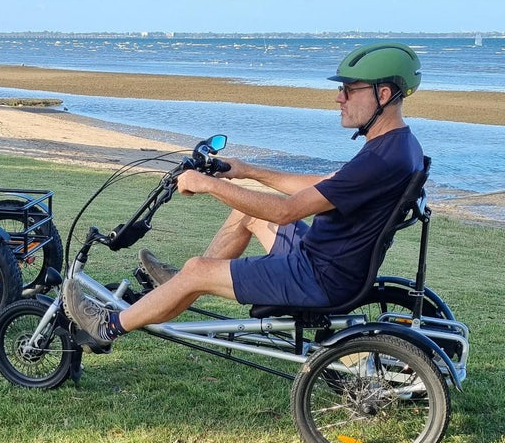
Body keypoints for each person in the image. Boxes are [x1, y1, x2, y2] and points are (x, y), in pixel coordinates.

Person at [62, 42, 425, 346]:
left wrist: (208, 184)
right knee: (247, 215)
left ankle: (106, 326)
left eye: (349, 89)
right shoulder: (396, 147)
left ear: (383, 94)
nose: (338, 97)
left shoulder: (379, 160)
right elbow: (319, 185)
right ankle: (176, 289)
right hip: (324, 259)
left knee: (196, 270)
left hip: (316, 276)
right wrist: (249, 171)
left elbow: (287, 212)